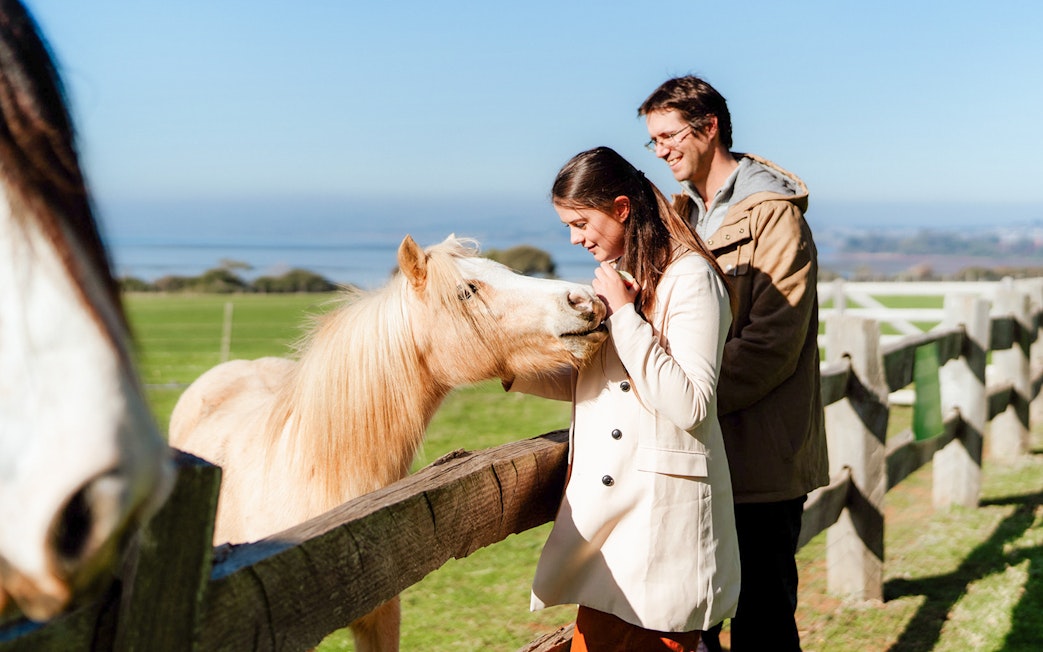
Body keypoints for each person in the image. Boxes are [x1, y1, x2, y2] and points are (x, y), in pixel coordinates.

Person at [507, 146, 739, 651]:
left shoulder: (690, 278)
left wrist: (625, 314)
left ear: (620, 208)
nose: (574, 238)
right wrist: (506, 367)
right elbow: (597, 382)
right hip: (613, 529)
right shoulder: (628, 276)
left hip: (661, 530)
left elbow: (691, 404)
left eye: (580, 221)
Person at [638, 75, 829, 651]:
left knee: (764, 626)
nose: (662, 149)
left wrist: (687, 402)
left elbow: (773, 343)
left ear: (710, 127)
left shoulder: (774, 217)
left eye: (669, 135)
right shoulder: (680, 219)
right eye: (654, 140)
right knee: (692, 622)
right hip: (700, 458)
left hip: (758, 462)